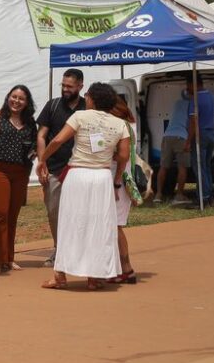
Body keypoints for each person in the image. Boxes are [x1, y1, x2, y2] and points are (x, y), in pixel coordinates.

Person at [37, 82, 129, 291]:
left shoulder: (80, 117)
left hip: (78, 175)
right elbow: (123, 155)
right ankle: (93, 277)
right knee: (98, 226)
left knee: (70, 224)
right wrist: (116, 177)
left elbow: (58, 140)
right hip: (102, 178)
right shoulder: (119, 124)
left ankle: (60, 276)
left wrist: (43, 159)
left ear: (91, 99)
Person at [0, 85, 37, 275]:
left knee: (12, 215)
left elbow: (35, 147)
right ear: (8, 97)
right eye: (14, 97)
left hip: (20, 172)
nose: (17, 101)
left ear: (27, 102)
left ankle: (8, 258)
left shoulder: (30, 124)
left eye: (21, 98)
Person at [36, 68, 85, 267]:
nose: (65, 89)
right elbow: (41, 136)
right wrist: (42, 162)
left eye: (69, 86)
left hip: (80, 170)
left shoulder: (87, 107)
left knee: (80, 212)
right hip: (54, 169)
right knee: (54, 212)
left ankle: (79, 251)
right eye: (63, 85)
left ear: (80, 86)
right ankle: (59, 249)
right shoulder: (53, 105)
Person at [108, 98, 139, 285]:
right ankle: (122, 268)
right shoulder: (129, 125)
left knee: (115, 226)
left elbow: (122, 157)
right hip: (121, 180)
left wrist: (116, 183)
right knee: (115, 225)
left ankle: (126, 268)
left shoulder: (122, 127)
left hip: (118, 181)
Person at [155, 88, 191, 205]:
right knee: (182, 167)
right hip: (181, 137)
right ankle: (179, 195)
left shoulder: (177, 103)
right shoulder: (193, 105)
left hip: (167, 136)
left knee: (163, 167)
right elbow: (192, 124)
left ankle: (158, 195)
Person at [187, 73, 214, 207]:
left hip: (201, 136)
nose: (187, 88)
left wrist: (188, 141)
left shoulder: (195, 99)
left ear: (193, 83)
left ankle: (202, 198)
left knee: (199, 168)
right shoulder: (211, 96)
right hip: (212, 134)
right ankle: (210, 197)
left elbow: (194, 122)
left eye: (187, 85)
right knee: (206, 167)